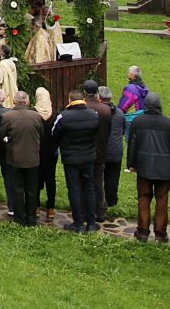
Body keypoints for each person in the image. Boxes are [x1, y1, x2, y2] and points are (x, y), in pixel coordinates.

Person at [126, 93, 170, 242]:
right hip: (165, 169)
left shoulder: (138, 122)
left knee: (144, 198)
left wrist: (131, 164)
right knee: (162, 199)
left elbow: (132, 144)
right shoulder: (169, 124)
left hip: (144, 167)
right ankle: (160, 233)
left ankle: (143, 231)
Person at [52, 87, 100, 233]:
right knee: (89, 188)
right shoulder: (94, 115)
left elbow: (54, 136)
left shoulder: (63, 117)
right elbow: (97, 132)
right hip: (88, 156)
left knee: (74, 189)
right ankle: (91, 223)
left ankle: (78, 223)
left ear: (70, 100)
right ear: (83, 100)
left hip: (71, 158)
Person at [0, 90, 43, 226]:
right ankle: (31, 217)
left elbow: (0, 134)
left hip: (15, 158)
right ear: (28, 102)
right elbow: (42, 134)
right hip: (32, 158)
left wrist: (8, 139)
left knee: (17, 189)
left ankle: (19, 217)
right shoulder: (36, 117)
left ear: (14, 101)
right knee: (31, 189)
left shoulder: (8, 117)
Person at [81, 79, 113, 221]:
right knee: (98, 183)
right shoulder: (106, 110)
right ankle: (100, 211)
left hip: (84, 150)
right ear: (97, 93)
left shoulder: (81, 108)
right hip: (100, 150)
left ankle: (84, 211)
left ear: (84, 93)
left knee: (83, 182)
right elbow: (108, 131)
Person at [96, 85, 124, 216]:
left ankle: (101, 201)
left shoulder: (99, 113)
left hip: (101, 149)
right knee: (113, 176)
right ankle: (111, 199)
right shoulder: (119, 113)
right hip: (116, 150)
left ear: (99, 98)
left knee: (99, 176)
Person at [34, 87, 59, 221]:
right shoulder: (55, 115)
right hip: (51, 153)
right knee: (51, 180)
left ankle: (36, 207)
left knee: (36, 179)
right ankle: (50, 208)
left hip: (37, 151)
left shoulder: (34, 115)